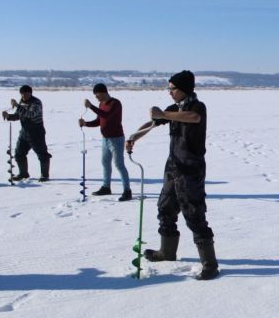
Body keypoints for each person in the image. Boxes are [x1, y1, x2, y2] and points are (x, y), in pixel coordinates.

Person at [126, 70, 219, 280]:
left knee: (194, 215)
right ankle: (167, 252)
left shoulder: (197, 106)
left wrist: (164, 115)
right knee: (165, 207)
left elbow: (193, 118)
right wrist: (134, 136)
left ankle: (210, 264)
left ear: (184, 89)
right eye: (168, 89)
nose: (170, 93)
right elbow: (152, 123)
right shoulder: (173, 108)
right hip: (173, 167)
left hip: (191, 169)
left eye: (173, 89)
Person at [79, 83, 132, 201]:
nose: (96, 97)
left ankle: (127, 191)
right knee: (105, 162)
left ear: (103, 92)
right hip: (105, 139)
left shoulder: (115, 103)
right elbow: (99, 120)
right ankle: (106, 187)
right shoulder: (101, 104)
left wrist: (91, 106)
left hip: (116, 139)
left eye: (97, 95)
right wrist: (85, 123)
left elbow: (107, 116)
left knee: (119, 164)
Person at [1, 85, 52, 181]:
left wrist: (17, 106)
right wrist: (8, 116)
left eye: (25, 94)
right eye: (22, 94)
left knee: (42, 154)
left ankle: (45, 175)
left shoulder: (36, 102)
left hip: (37, 133)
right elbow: (18, 115)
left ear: (30, 93)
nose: (24, 96)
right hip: (24, 133)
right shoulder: (22, 102)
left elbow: (30, 114)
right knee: (19, 153)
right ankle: (23, 173)